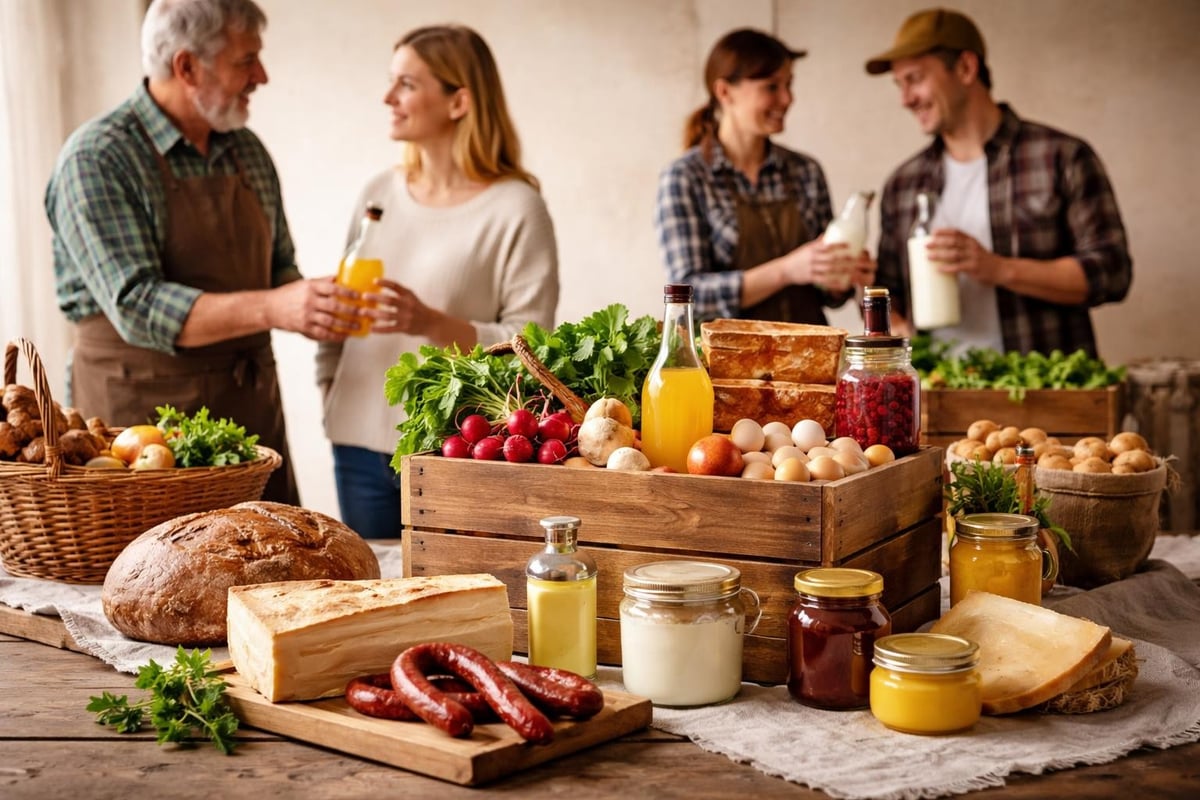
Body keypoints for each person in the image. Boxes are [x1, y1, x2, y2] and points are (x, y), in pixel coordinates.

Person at [45, 0, 363, 505]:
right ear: (186, 66)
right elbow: (138, 305)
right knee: (149, 578)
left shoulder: (246, 150)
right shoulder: (98, 158)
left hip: (250, 418)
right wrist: (276, 306)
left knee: (275, 572)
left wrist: (315, 306)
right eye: (245, 61)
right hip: (141, 425)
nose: (262, 75)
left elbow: (279, 267)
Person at [316, 24, 559, 539]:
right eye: (391, 81)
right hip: (357, 445)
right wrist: (328, 393)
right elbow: (342, 311)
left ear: (459, 102)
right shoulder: (377, 193)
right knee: (370, 601)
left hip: (454, 447)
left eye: (406, 84)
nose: (388, 97)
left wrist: (429, 323)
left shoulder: (517, 209)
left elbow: (534, 343)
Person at [866, 8, 1132, 357]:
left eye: (915, 79)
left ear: (965, 68)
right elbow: (891, 297)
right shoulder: (903, 183)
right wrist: (863, 288)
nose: (905, 99)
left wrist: (998, 268)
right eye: (900, 85)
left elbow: (1111, 273)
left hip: (1045, 392)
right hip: (938, 394)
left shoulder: (1061, 156)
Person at [655, 28, 875, 325]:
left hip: (811, 362)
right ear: (724, 92)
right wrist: (787, 270)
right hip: (726, 366)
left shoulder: (806, 171)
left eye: (789, 85)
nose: (787, 98)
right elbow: (686, 298)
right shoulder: (684, 179)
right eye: (772, 87)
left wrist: (839, 278)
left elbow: (828, 297)